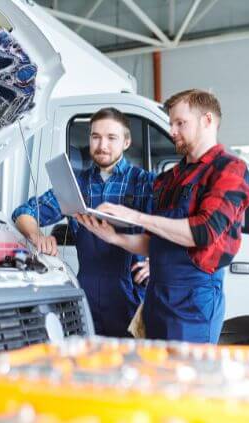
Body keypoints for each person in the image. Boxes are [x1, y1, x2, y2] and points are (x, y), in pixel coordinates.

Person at [76, 90, 249, 343]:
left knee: (187, 378)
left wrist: (135, 217)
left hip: (193, 301)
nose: (172, 131)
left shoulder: (228, 170)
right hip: (156, 298)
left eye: (180, 123)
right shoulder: (170, 178)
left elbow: (203, 232)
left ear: (207, 121)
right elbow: (157, 242)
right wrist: (114, 237)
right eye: (171, 123)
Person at [12, 107, 154, 337]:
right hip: (86, 296)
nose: (102, 145)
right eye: (96, 137)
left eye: (111, 138)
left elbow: (177, 226)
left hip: (130, 298)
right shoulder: (76, 184)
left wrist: (160, 260)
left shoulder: (144, 183)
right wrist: (37, 236)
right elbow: (24, 212)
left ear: (126, 142)